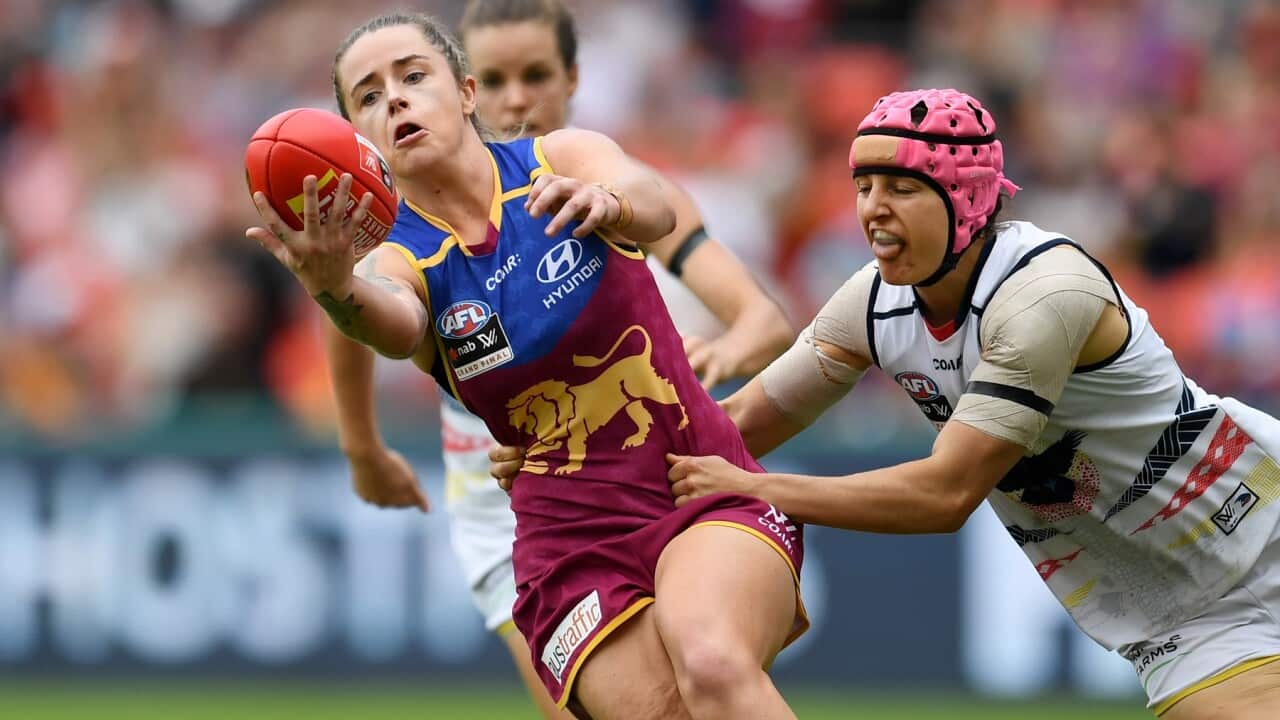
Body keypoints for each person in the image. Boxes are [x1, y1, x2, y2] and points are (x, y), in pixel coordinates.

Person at [494, 88, 1280, 718]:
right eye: (864, 185)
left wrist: (761, 489)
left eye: (902, 187)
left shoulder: (1044, 292)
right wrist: (569, 448)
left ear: (967, 197)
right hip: (1189, 626)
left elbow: (944, 494)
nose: (872, 207)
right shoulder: (872, 305)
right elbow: (720, 433)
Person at [246, 12, 806, 720]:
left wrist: (613, 201)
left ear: (466, 93)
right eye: (368, 95)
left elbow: (657, 205)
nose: (394, 98)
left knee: (712, 660)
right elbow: (387, 324)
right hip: (565, 543)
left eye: (414, 76)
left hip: (696, 486)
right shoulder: (397, 261)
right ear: (362, 141)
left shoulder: (565, 159)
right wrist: (331, 288)